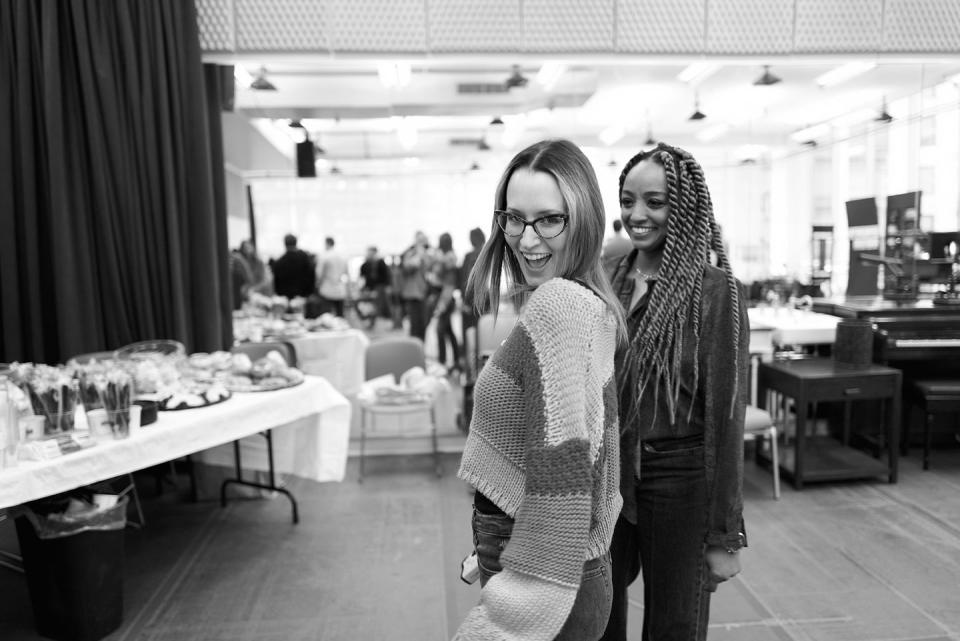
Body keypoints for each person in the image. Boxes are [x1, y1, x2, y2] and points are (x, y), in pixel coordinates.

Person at [454, 139, 625, 641]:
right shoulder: (585, 302)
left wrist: (506, 617)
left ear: (585, 219)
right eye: (514, 218)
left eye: (549, 219)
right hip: (554, 557)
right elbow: (594, 459)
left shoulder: (559, 306)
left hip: (545, 568)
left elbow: (565, 477)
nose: (526, 239)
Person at [599, 142, 749, 641]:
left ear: (684, 210)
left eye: (654, 202)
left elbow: (727, 418)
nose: (635, 215)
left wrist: (724, 534)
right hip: (609, 478)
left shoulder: (714, 292)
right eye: (627, 200)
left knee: (674, 628)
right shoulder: (608, 281)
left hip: (680, 481)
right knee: (599, 621)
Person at [431, 232, 461, 372]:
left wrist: (441, 306)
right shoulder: (447, 257)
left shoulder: (448, 258)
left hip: (446, 299)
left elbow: (449, 285)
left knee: (440, 331)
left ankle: (442, 362)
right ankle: (456, 360)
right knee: (448, 331)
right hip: (446, 297)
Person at [398, 231, 433, 342]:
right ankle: (414, 349)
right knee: (414, 324)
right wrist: (418, 254)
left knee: (424, 323)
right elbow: (408, 267)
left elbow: (430, 267)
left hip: (423, 293)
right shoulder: (410, 253)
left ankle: (421, 347)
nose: (422, 242)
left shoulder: (427, 254)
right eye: (420, 240)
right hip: (412, 294)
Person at [459, 227, 486, 354]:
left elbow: (467, 281)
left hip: (471, 301)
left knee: (469, 334)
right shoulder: (487, 254)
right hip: (485, 301)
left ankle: (470, 364)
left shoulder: (470, 257)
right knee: (482, 333)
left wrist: (465, 301)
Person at [269, 234, 315, 300]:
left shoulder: (279, 263)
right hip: (304, 297)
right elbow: (312, 277)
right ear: (296, 243)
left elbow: (277, 285)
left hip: (286, 298)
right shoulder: (305, 258)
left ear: (284, 244)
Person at [358, 245, 393, 328]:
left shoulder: (380, 263)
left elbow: (387, 276)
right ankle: (368, 320)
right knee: (367, 305)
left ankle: (373, 322)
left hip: (379, 287)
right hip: (368, 288)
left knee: (377, 306)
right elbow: (362, 277)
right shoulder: (365, 264)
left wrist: (387, 286)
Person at [316, 236, 349, 316]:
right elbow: (347, 274)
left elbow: (320, 275)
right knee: (340, 315)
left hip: (327, 290)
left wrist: (317, 286)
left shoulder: (324, 256)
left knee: (326, 316)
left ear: (326, 244)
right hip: (340, 290)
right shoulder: (342, 256)